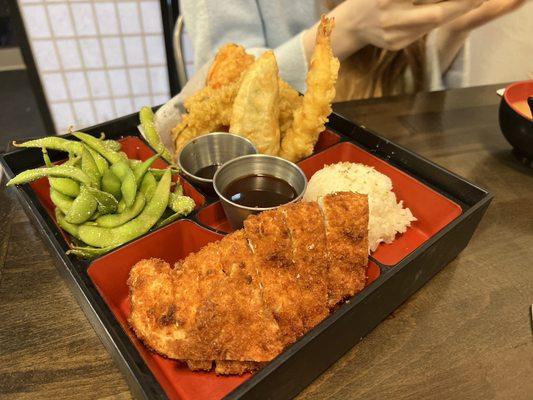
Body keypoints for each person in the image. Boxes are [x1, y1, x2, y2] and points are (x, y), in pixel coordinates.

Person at [180, 0, 526, 101]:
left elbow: (410, 86)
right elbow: (220, 97)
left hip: (392, 154)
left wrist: (455, 27)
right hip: (279, 175)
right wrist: (345, 30)